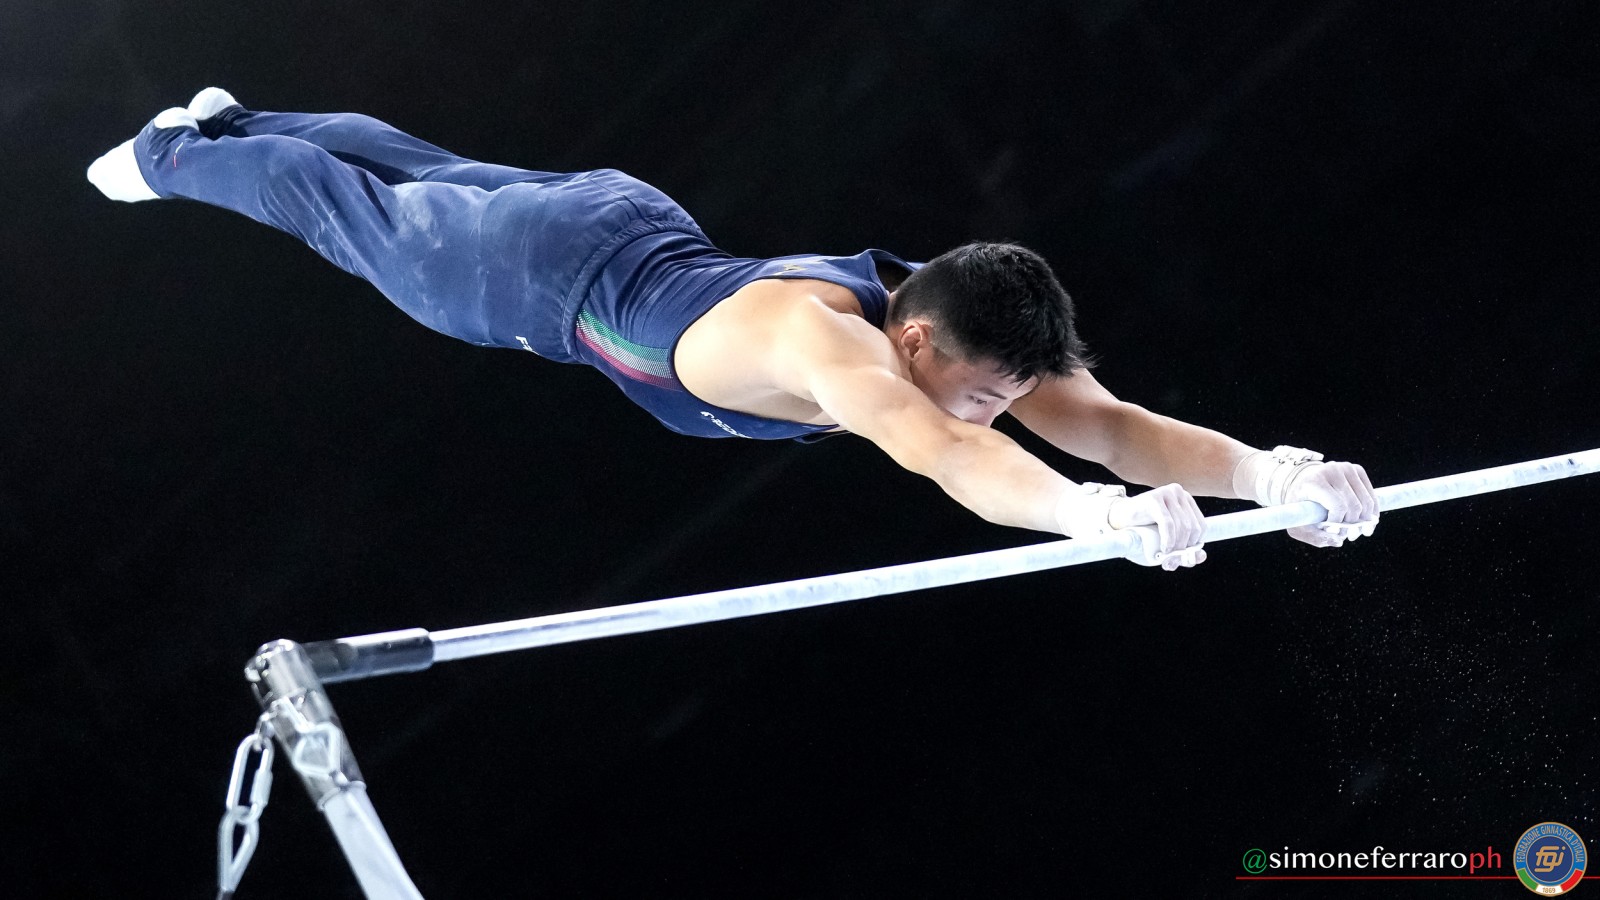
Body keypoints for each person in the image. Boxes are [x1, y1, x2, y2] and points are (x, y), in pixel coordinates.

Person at [87, 89, 1380, 571]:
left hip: (626, 222)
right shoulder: (837, 350)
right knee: (344, 211)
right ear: (914, 349)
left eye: (1006, 398)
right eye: (987, 394)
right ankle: (172, 153)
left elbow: (1109, 424)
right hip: (538, 286)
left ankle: (236, 116)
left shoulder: (949, 317)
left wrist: (1275, 477)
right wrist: (1090, 519)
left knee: (422, 168)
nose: (1000, 412)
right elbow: (954, 458)